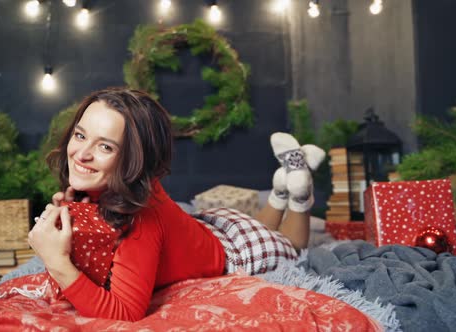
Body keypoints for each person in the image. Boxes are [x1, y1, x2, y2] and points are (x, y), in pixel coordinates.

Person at [27, 87, 325, 322]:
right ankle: (279, 189)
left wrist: (56, 261)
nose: (82, 154)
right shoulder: (112, 185)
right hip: (213, 226)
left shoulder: (141, 221)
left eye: (106, 146)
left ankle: (298, 189)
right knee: (260, 225)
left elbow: (125, 313)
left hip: (240, 252)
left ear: (135, 161)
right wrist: (78, 214)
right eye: (80, 135)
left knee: (292, 243)